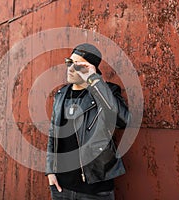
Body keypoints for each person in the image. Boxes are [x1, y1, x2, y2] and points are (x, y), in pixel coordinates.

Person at [46, 43, 130, 200]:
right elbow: (53, 134)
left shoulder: (108, 91)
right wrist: (50, 170)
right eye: (69, 62)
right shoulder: (61, 94)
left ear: (91, 68)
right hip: (61, 187)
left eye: (78, 65)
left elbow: (122, 120)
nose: (70, 68)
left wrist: (94, 80)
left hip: (95, 190)